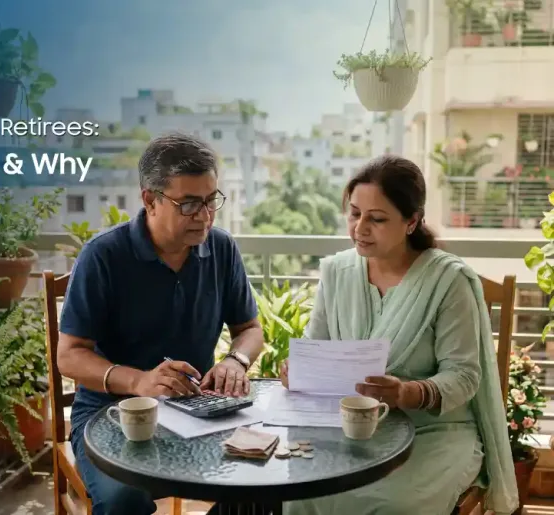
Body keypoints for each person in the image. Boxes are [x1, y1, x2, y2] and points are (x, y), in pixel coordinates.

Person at [279, 155, 518, 515]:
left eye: (376, 219)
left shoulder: (448, 281)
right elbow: (317, 349)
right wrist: (300, 370)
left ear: (412, 222)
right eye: (354, 213)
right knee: (301, 486)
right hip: (354, 428)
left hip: (436, 433)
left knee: (395, 504)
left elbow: (465, 376)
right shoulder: (337, 272)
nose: (360, 228)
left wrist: (408, 392)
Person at [57, 133, 265, 515]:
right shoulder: (102, 256)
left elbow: (250, 330)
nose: (204, 215)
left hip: (195, 407)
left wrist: (236, 360)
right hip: (111, 414)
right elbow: (69, 357)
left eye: (210, 200)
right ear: (150, 200)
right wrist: (138, 381)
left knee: (260, 484)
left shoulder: (221, 248)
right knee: (124, 501)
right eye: (188, 204)